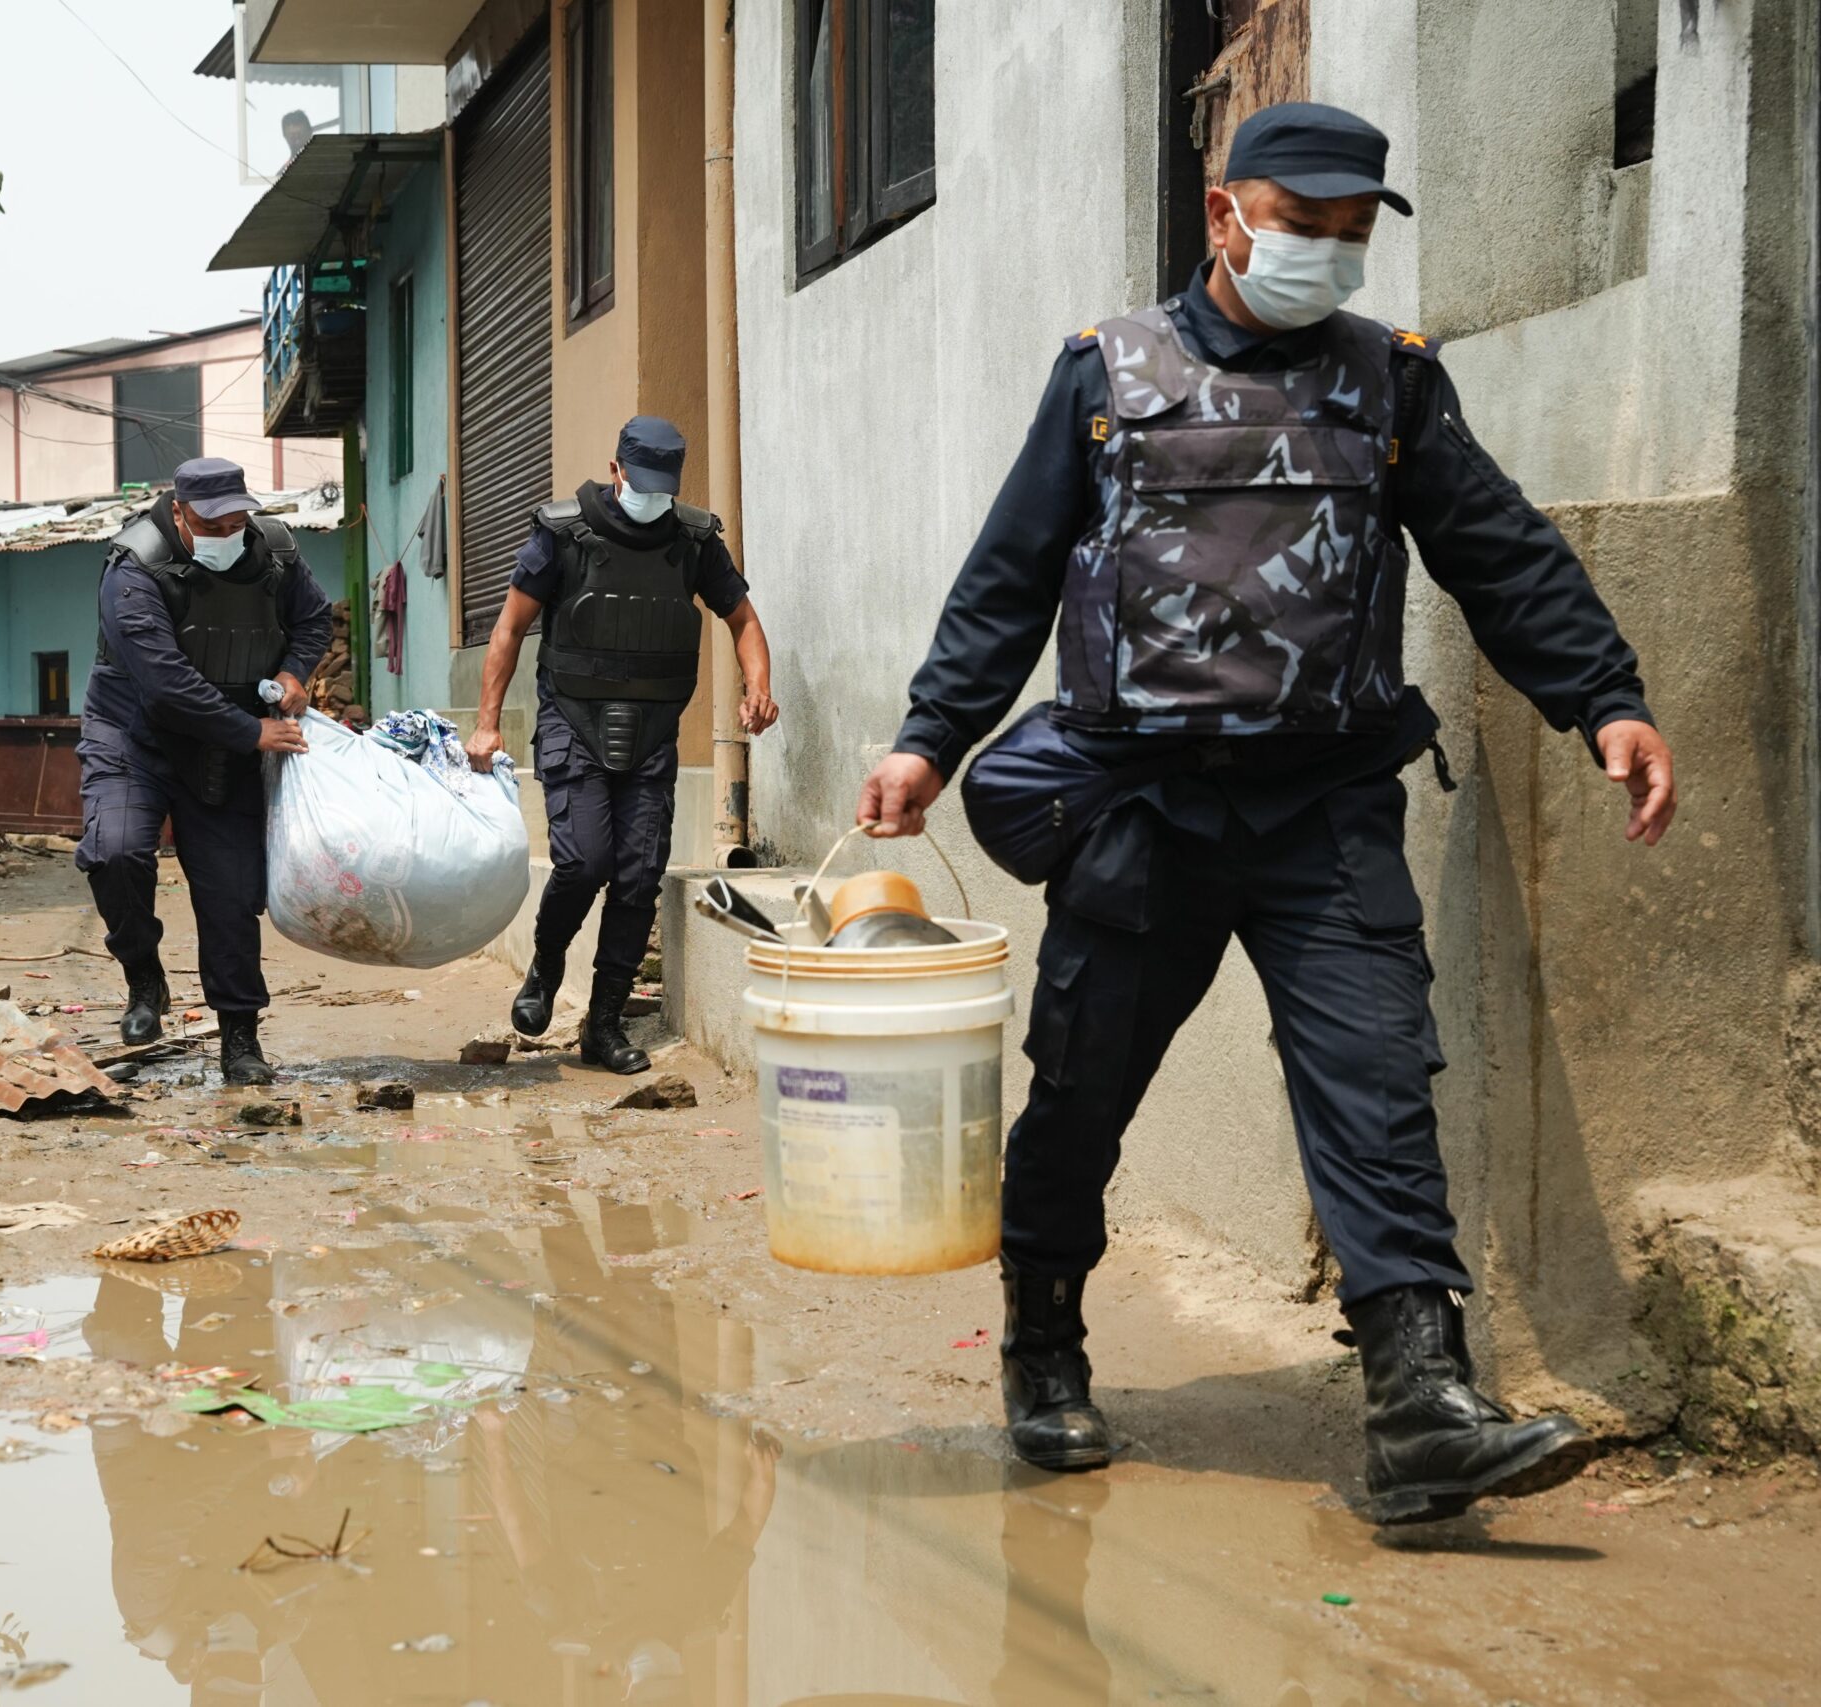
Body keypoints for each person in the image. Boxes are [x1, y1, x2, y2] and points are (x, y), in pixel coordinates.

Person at [854, 102, 1677, 1525]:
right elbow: (1010, 574)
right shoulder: (1107, 377)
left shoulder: (1392, 384)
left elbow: (1500, 551)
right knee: (1080, 1097)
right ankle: (1044, 1342)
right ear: (1226, 214)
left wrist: (1603, 695)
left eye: (1353, 236)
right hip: (1140, 813)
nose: (1330, 256)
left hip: (1325, 810)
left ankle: (1421, 1401)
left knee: (1376, 1089)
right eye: (1306, 226)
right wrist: (933, 736)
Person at [468, 416, 777, 1074]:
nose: (653, 500)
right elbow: (509, 628)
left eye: (665, 489)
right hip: (572, 717)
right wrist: (488, 722)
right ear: (616, 471)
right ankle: (545, 971)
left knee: (638, 875)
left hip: (652, 730)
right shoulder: (562, 532)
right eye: (643, 485)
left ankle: (603, 1025)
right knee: (583, 859)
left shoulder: (693, 540)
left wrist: (759, 686)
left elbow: (743, 620)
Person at [79, 456, 331, 1086]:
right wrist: (254, 732)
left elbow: (313, 618)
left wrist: (297, 672)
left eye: (238, 517)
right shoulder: (133, 569)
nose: (228, 532)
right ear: (181, 512)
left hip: (224, 747)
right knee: (115, 852)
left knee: (228, 892)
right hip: (135, 737)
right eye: (213, 522)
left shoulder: (275, 552)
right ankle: (144, 977)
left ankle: (239, 1037)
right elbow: (164, 684)